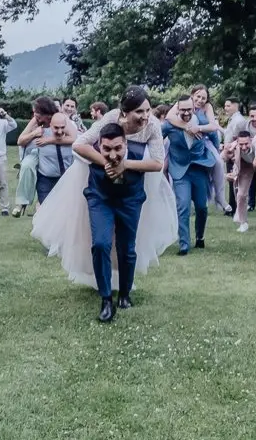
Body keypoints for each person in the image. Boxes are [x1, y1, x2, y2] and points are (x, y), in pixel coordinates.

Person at [32, 86, 178, 295]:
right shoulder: (110, 119)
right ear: (124, 113)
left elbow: (156, 163)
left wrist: (124, 165)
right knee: (99, 240)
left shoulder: (153, 125)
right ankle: (104, 291)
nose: (145, 116)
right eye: (139, 112)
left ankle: (124, 288)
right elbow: (80, 144)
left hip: (133, 185)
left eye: (147, 110)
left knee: (127, 243)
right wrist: (107, 163)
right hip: (100, 183)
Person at [82, 122, 164, 322]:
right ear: (99, 145)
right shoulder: (90, 153)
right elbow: (76, 146)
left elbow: (157, 165)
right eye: (106, 148)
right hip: (100, 200)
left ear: (126, 143)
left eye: (118, 148)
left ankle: (125, 294)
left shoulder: (140, 154)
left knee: (127, 248)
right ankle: (106, 298)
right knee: (100, 244)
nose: (112, 155)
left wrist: (125, 165)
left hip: (130, 201)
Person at [162, 96, 218, 256]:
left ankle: (200, 236)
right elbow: (156, 139)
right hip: (179, 170)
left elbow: (214, 135)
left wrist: (217, 154)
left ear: (193, 108)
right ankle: (184, 244)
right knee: (183, 206)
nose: (186, 113)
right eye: (183, 109)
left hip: (199, 167)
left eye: (189, 109)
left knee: (202, 206)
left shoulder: (201, 120)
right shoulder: (169, 125)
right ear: (177, 109)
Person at [18, 96, 76, 206]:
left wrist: (48, 140)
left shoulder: (60, 119)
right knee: (46, 209)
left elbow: (73, 138)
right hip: (44, 176)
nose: (34, 114)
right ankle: (22, 203)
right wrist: (34, 134)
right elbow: (20, 140)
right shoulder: (36, 121)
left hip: (64, 173)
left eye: (37, 112)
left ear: (46, 113)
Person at [221, 127, 256, 233]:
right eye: (241, 144)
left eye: (246, 144)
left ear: (250, 140)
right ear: (237, 142)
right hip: (245, 166)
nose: (244, 147)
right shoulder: (233, 147)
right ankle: (243, 223)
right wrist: (225, 175)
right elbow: (219, 160)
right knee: (241, 195)